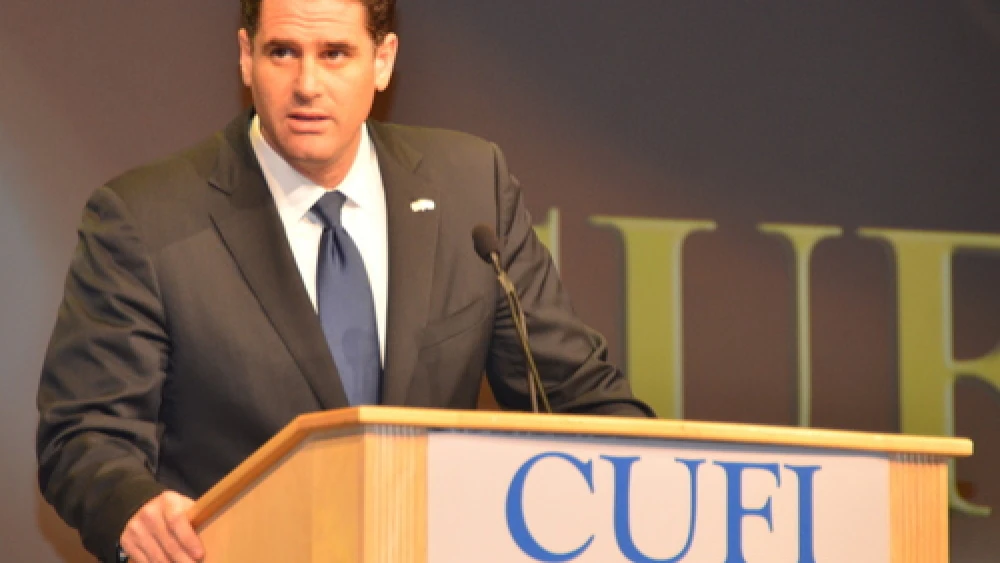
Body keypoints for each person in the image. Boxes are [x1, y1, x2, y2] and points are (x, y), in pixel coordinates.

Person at [35, 0, 653, 561]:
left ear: (382, 61)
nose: (307, 84)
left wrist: (673, 479)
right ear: (246, 56)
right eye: (283, 52)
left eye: (335, 54)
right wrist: (133, 508)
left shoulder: (470, 187)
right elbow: (86, 435)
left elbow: (574, 396)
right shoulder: (145, 218)